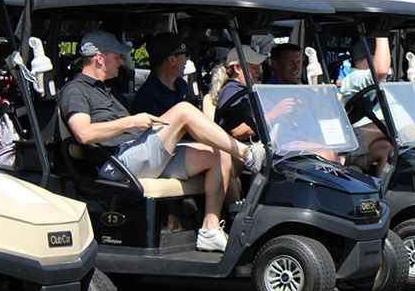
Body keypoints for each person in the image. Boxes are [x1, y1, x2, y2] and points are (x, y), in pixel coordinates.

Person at [58, 31, 265, 252]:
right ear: (100, 58)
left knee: (218, 155)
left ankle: (210, 229)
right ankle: (248, 154)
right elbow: (84, 134)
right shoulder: (76, 90)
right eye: (117, 56)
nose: (122, 61)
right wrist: (130, 122)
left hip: (136, 153)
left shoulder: (109, 90)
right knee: (184, 110)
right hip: (117, 163)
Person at [339, 36, 392, 175]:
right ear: (369, 58)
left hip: (376, 139)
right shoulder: (354, 78)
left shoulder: (380, 81)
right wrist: (382, 34)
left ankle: (384, 191)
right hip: (362, 136)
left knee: (388, 150)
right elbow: (381, 70)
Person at [211, 46, 270, 141]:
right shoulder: (232, 91)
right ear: (238, 68)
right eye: (254, 67)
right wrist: (275, 114)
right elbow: (236, 131)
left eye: (259, 67)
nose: (259, 72)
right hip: (241, 151)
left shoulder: (246, 90)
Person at [132, 33, 191, 116]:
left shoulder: (182, 85)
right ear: (172, 60)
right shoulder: (148, 98)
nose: (188, 58)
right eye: (186, 54)